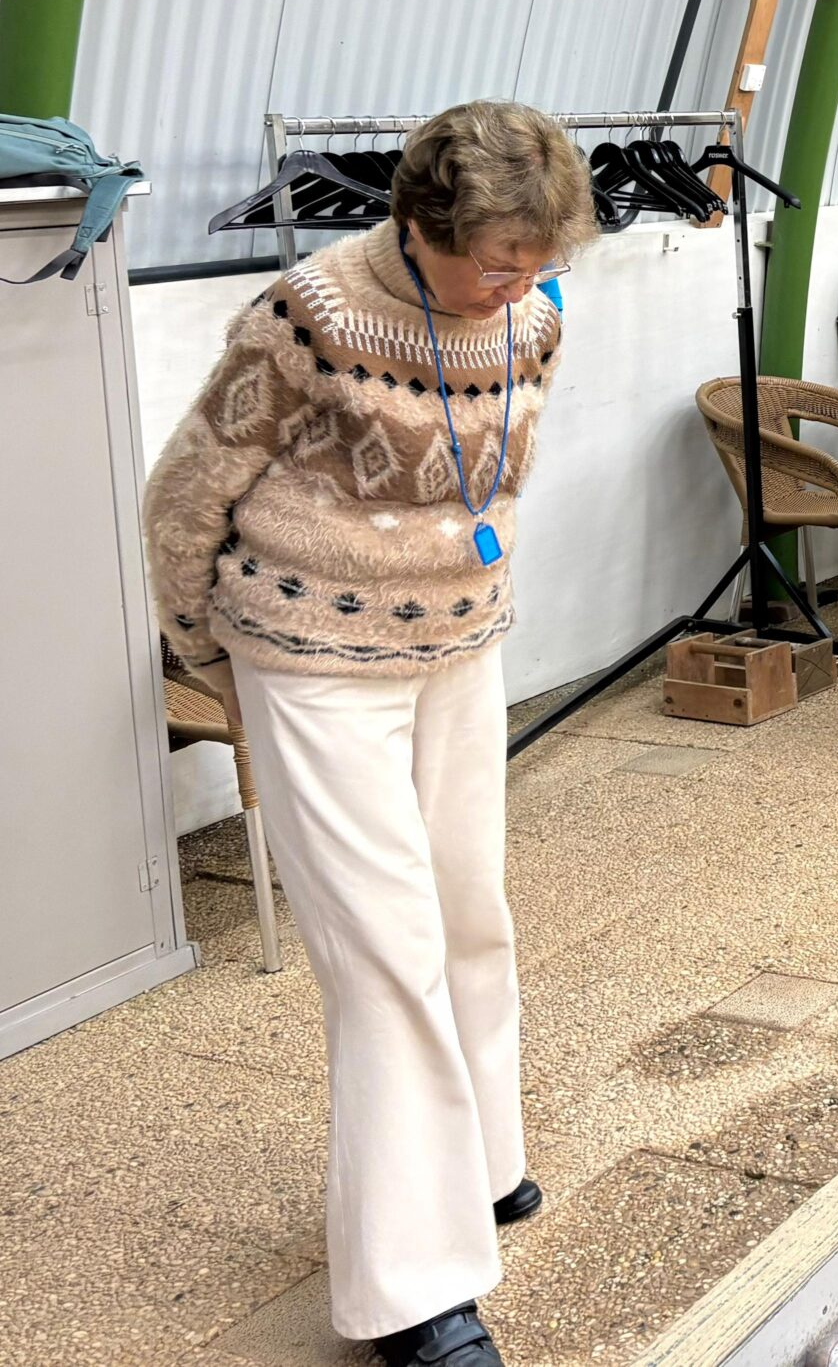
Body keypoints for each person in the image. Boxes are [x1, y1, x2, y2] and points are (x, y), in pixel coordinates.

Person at [142, 101, 596, 1367]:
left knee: (469, 912)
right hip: (309, 660)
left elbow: (501, 464)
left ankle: (480, 1161)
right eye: (495, 260)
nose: (516, 283)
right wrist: (205, 651)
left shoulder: (537, 311)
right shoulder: (311, 313)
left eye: (537, 259)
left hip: (458, 648)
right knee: (385, 951)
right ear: (417, 223)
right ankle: (414, 1290)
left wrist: (473, 587)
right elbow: (187, 491)